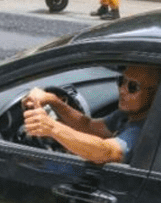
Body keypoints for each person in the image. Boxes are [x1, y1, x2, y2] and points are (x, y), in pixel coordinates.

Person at [22, 65, 160, 164]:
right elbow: (89, 126)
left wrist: (52, 128)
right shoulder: (127, 114)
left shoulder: (145, 129)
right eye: (121, 81)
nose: (122, 90)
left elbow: (107, 152)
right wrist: (53, 101)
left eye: (132, 87)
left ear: (155, 94)